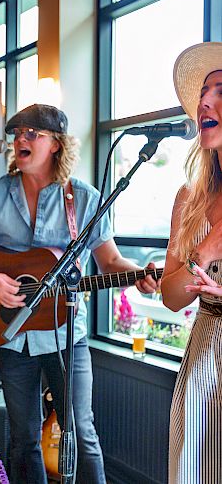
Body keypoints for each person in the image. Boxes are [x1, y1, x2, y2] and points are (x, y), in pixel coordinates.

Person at [0, 103, 160, 483]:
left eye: (32, 133)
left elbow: (110, 262)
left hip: (68, 336)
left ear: (56, 144)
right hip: (13, 336)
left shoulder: (83, 198)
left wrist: (139, 274)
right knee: (22, 438)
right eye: (17, 132)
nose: (21, 139)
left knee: (81, 433)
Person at [161, 41, 222, 484]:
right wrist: (208, 251)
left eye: (220, 91)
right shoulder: (189, 200)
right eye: (204, 92)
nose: (204, 101)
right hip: (204, 355)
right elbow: (169, 296)